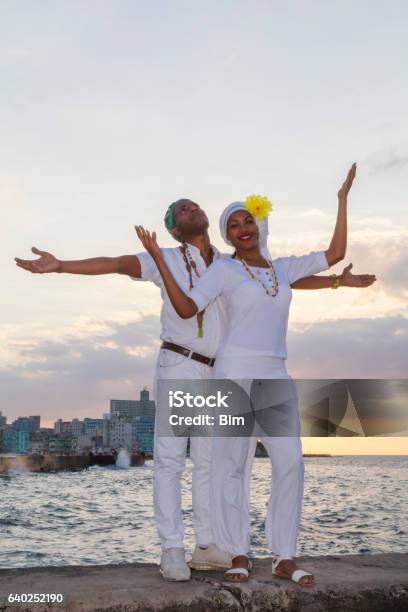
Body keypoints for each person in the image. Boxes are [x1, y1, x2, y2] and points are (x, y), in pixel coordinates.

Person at [15, 182, 375, 582]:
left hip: (220, 369)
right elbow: (117, 263)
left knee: (211, 463)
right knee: (170, 459)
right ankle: (172, 548)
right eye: (182, 209)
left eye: (194, 204)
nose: (192, 208)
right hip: (181, 364)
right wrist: (62, 264)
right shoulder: (164, 257)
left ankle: (211, 544)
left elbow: (278, 280)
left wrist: (337, 283)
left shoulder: (228, 261)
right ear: (173, 228)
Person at [135, 163, 376, 586]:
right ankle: (239, 552)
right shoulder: (223, 271)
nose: (242, 227)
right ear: (227, 238)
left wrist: (341, 202)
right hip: (231, 374)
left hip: (275, 373)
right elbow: (188, 308)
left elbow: (333, 254)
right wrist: (158, 258)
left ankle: (284, 555)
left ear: (260, 225)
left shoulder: (282, 270)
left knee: (291, 462)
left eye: (247, 220)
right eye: (233, 225)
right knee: (233, 467)